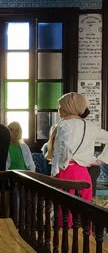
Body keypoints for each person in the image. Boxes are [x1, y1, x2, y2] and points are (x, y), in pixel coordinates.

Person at [45, 92, 108, 226]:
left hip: (65, 172)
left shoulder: (62, 125)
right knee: (85, 212)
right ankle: (85, 243)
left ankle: (65, 243)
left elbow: (64, 148)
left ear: (69, 108)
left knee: (63, 212)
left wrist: (60, 168)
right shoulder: (90, 126)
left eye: (60, 106)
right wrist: (99, 160)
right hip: (83, 174)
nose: (58, 109)